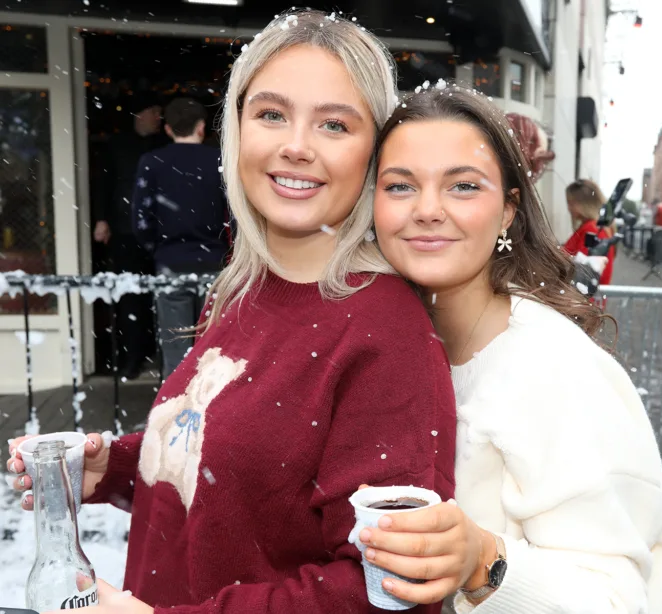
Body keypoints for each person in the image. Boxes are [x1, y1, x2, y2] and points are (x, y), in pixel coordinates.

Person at [8, 11, 456, 614]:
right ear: (236, 129)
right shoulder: (242, 287)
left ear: (373, 152)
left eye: (334, 123)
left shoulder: (384, 329)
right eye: (271, 114)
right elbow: (243, 466)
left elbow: (382, 593)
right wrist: (113, 469)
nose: (295, 146)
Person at [359, 86, 662, 613]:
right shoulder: (387, 345)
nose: (427, 209)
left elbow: (621, 601)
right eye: (400, 186)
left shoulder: (552, 366)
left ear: (509, 210)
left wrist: (483, 561)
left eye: (462, 186)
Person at [131, 97, 230, 379]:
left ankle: (175, 416)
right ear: (201, 128)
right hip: (214, 264)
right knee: (214, 353)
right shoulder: (220, 161)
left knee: (176, 358)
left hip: (170, 264)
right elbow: (234, 216)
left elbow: (140, 219)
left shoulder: (152, 162)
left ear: (167, 128)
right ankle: (213, 418)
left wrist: (159, 249)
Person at [93, 91, 170, 379]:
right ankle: (133, 358)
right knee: (129, 298)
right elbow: (104, 184)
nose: (158, 117)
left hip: (161, 234)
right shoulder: (118, 145)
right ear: (140, 114)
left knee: (162, 297)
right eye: (153, 111)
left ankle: (164, 360)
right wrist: (101, 220)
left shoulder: (164, 144)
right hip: (125, 232)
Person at [562, 178, 617, 285]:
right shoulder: (595, 226)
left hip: (582, 297)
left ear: (583, 204)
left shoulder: (592, 229)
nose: (568, 208)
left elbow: (582, 270)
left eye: (571, 203)